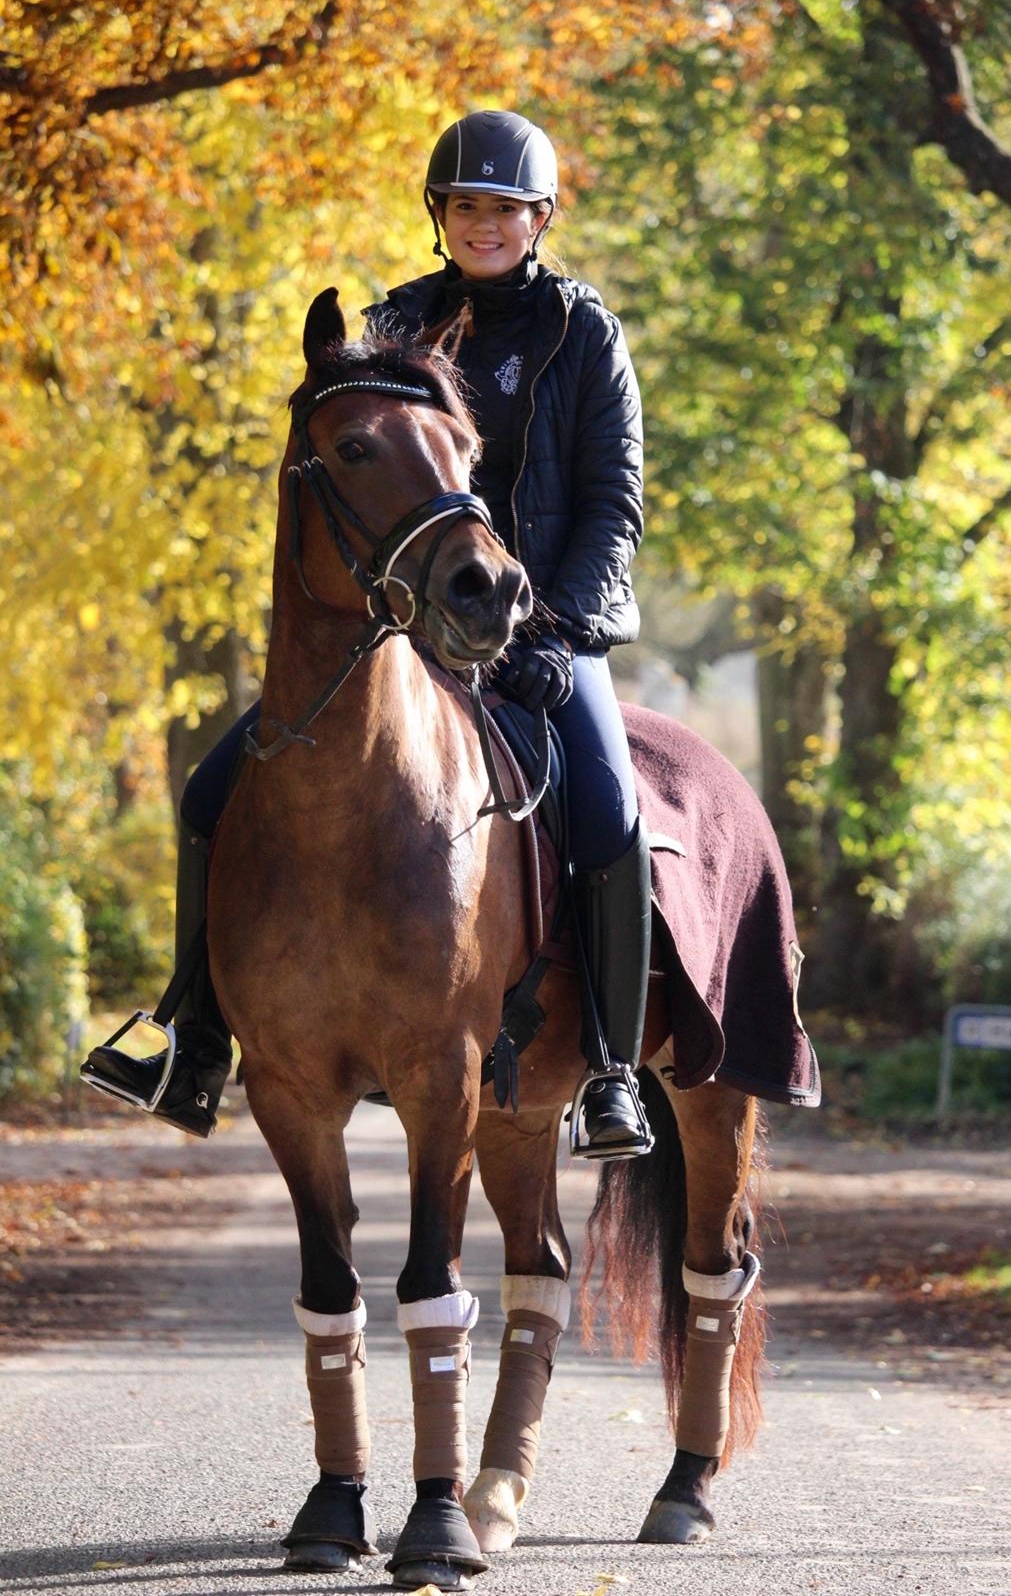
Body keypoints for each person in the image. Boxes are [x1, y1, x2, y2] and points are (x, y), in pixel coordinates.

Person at [82, 109, 652, 1158]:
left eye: (505, 210)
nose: (484, 226)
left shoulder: (584, 333)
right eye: (465, 208)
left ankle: (610, 1069)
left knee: (609, 808)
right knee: (215, 789)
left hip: (543, 634)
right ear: (440, 217)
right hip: (411, 629)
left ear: (539, 219)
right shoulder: (395, 326)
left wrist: (554, 630)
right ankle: (196, 1037)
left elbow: (612, 504)